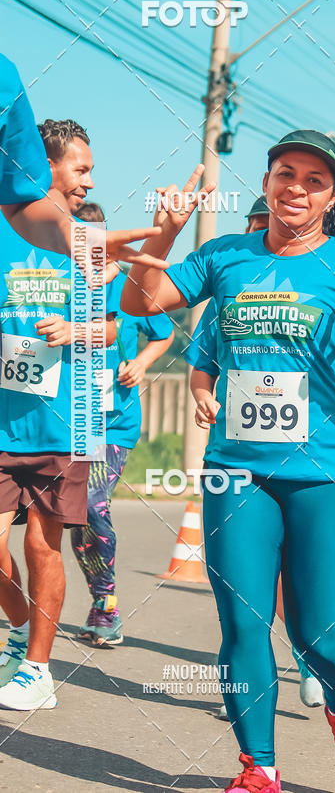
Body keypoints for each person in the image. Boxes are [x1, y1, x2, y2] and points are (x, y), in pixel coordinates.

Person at [121, 129, 335, 791]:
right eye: (285, 172)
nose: (297, 186)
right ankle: (257, 768)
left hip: (327, 474)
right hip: (236, 470)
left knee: (316, 630)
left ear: (332, 196)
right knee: (243, 622)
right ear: (267, 182)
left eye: (314, 179)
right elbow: (140, 302)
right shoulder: (225, 255)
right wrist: (166, 235)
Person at [185, 203, 324, 711]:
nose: (264, 239)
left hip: (312, 467)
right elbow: (203, 366)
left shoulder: (322, 285)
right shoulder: (229, 299)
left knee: (300, 582)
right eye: (255, 230)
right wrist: (203, 395)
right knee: (246, 594)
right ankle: (248, 687)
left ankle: (313, 658)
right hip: (240, 464)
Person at [0, 209, 120, 709]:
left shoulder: (83, 243)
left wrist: (74, 329)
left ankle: (37, 669)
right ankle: (22, 628)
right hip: (5, 424)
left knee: (40, 545)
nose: (87, 182)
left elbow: (110, 331)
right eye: (81, 171)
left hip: (65, 423)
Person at [70, 202, 174, 645]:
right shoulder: (60, 282)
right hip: (66, 417)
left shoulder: (130, 285)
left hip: (112, 420)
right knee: (72, 517)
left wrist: (142, 363)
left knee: (93, 504)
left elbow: (164, 333)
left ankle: (106, 604)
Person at [0, 55, 166, 267]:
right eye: (80, 170)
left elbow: (23, 200)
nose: (90, 183)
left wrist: (69, 232)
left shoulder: (6, 81)